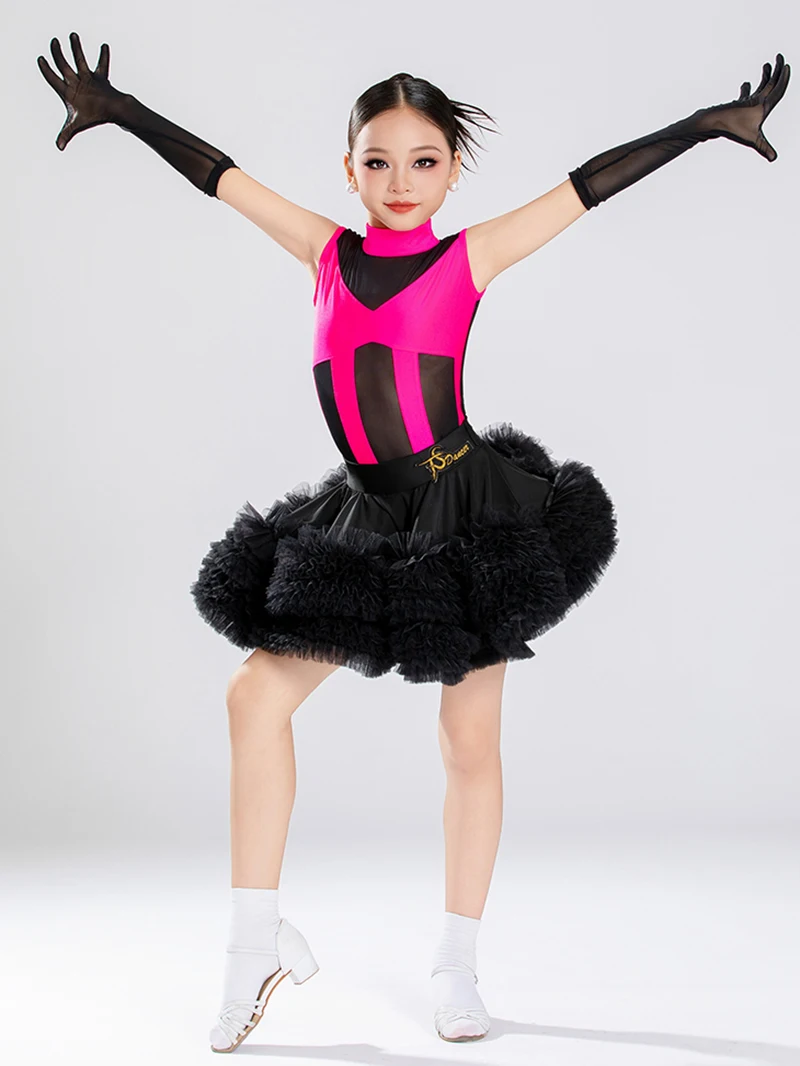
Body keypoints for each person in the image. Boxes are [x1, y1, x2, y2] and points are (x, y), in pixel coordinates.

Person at [37, 32, 790, 1051]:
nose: (400, 182)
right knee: (255, 697)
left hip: (464, 510)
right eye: (378, 161)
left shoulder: (466, 257)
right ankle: (254, 942)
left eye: (423, 161)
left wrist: (702, 127)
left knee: (467, 741)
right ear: (347, 167)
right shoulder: (324, 253)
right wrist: (125, 112)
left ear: (452, 169)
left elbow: (586, 185)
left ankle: (456, 964)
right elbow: (219, 176)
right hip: (362, 514)